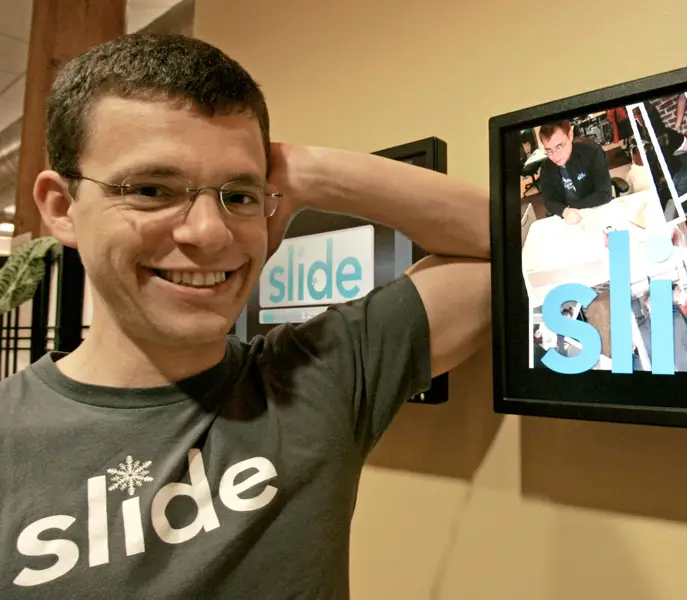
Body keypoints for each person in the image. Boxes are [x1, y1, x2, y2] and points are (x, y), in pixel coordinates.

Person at [0, 34, 491, 598]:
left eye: (238, 196)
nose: (210, 233)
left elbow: (512, 246)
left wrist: (305, 172)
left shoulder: (315, 382)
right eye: (152, 189)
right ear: (62, 207)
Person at [537, 120, 613, 224]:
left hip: (596, 210)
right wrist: (564, 211)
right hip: (568, 218)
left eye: (559, 146)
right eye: (549, 150)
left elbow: (604, 193)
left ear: (570, 135)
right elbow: (549, 200)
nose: (555, 156)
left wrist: (571, 208)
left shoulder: (592, 152)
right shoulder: (547, 168)